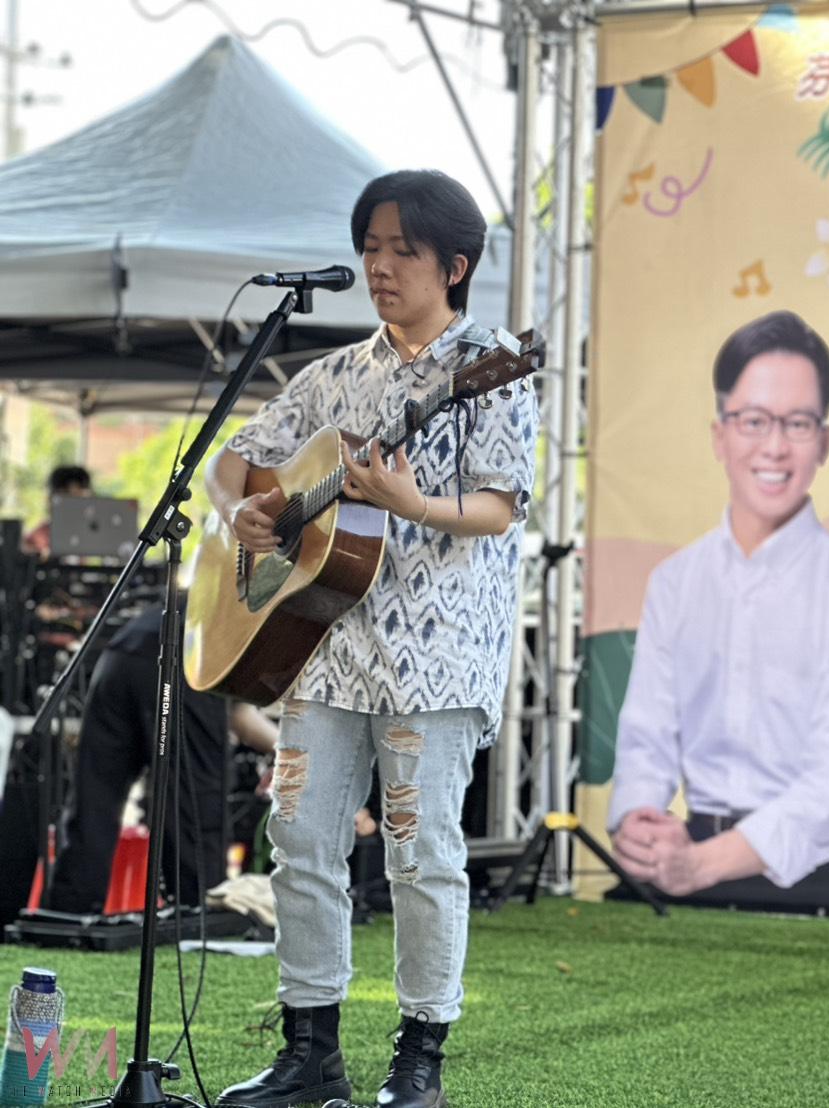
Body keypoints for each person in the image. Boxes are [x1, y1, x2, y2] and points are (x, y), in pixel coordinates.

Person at [206, 169, 536, 1108]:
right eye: (372, 248)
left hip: (433, 659)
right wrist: (249, 516)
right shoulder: (333, 372)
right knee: (299, 837)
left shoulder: (492, 366)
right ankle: (311, 1052)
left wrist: (413, 502)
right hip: (324, 646)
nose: (380, 267)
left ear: (455, 266)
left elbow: (502, 506)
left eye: (404, 251)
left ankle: (419, 1057)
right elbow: (237, 463)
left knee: (420, 852)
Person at [607, 311, 829, 918]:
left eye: (796, 423)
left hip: (804, 886)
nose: (773, 446)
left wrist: (703, 865)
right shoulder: (676, 582)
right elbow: (646, 738)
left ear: (824, 442)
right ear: (720, 435)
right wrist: (639, 825)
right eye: (753, 421)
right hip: (680, 866)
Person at [45, 604, 277, 915]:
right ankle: (198, 912)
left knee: (95, 796)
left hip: (123, 651)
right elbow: (242, 714)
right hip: (184, 656)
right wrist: (292, 751)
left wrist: (283, 749)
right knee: (194, 799)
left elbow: (239, 713)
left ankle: (68, 911)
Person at [21, 465, 91, 559]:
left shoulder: (94, 537)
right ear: (50, 499)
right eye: (68, 498)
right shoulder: (36, 539)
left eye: (80, 499)